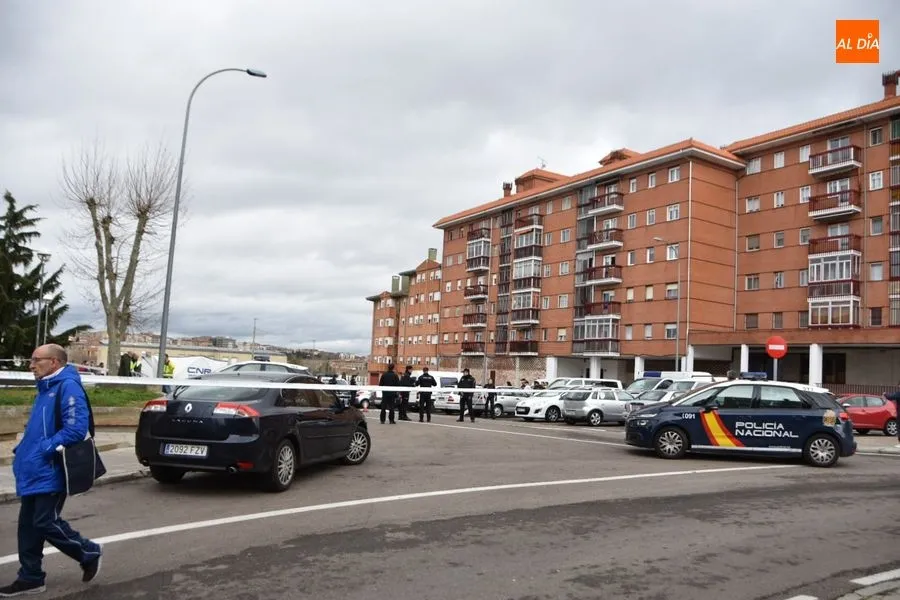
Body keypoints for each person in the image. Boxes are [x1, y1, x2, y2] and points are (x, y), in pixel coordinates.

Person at [0, 344, 102, 596]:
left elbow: (76, 429)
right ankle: (31, 577)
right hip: (35, 469)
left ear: (54, 362)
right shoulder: (46, 388)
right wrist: (23, 449)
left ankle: (87, 551)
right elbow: (41, 427)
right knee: (28, 526)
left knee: (44, 521)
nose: (31, 365)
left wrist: (41, 450)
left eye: (36, 360)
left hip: (51, 469)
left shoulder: (67, 387)